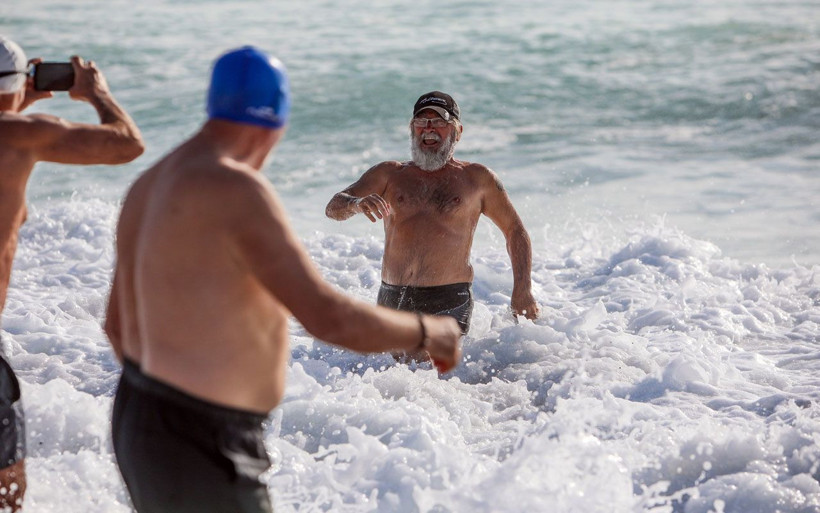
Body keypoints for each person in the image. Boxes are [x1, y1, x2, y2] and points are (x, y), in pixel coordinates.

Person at [103, 46, 461, 513]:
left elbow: (116, 325)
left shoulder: (149, 182)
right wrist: (427, 331)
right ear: (277, 120)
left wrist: (169, 395)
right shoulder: (239, 189)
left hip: (138, 418)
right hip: (204, 438)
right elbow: (327, 317)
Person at [0, 36, 144, 511]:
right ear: (18, 81)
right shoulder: (19, 135)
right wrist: (95, 92)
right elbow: (127, 143)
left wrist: (17, 102)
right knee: (7, 492)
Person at [325, 91, 539, 343]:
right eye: (421, 122)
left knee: (430, 364)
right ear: (412, 129)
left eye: (439, 122)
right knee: (388, 367)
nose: (429, 128)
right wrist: (357, 204)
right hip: (392, 296)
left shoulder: (478, 179)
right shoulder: (389, 174)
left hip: (448, 299)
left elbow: (515, 231)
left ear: (458, 132)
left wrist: (523, 290)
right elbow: (334, 207)